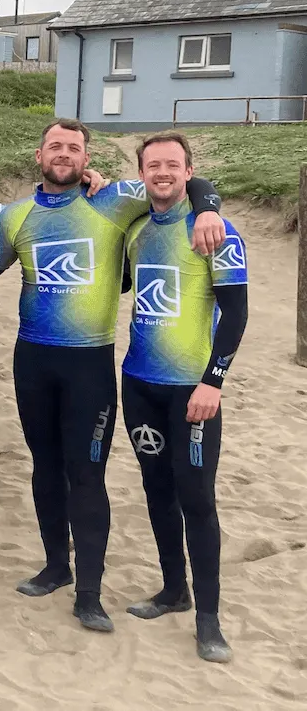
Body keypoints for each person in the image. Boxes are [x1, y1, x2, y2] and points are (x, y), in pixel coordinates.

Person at [0, 117, 225, 633]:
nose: (63, 154)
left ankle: (89, 593)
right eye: (55, 146)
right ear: (39, 154)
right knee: (45, 467)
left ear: (87, 159)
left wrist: (207, 209)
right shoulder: (17, 215)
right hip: (32, 361)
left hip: (90, 364)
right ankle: (54, 567)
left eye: (73, 147)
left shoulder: (114, 202)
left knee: (86, 474)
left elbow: (183, 180)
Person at [119, 132, 247, 663]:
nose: (163, 173)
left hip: (192, 391)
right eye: (154, 165)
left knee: (197, 498)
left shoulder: (216, 232)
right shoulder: (135, 229)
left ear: (189, 171)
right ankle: (174, 589)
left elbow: (236, 315)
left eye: (174, 165)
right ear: (142, 172)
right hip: (140, 385)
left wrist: (213, 382)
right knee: (156, 489)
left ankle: (209, 620)